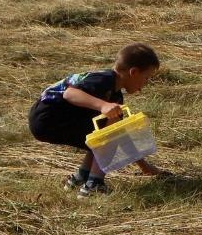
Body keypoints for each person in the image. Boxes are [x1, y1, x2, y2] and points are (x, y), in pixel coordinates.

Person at [28, 43, 164, 198]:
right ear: (133, 72)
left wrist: (144, 166)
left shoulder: (116, 94)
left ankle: (82, 177)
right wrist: (103, 105)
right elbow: (70, 94)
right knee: (110, 129)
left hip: (52, 119)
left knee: (109, 128)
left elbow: (122, 136)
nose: (144, 85)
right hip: (48, 117)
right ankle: (94, 184)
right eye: (146, 78)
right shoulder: (103, 79)